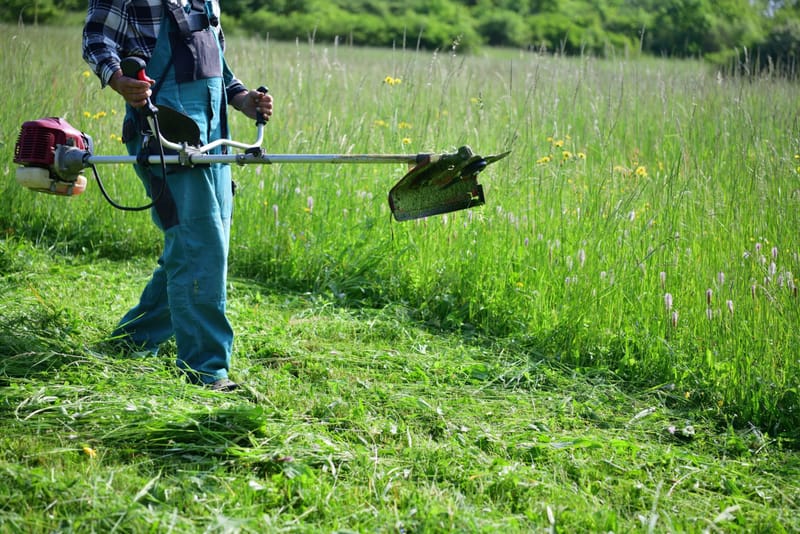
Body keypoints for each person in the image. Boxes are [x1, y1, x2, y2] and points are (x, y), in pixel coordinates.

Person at [83, 0, 273, 391]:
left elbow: (217, 66)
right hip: (165, 136)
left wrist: (244, 99)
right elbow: (96, 38)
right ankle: (205, 370)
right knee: (200, 249)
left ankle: (133, 340)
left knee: (196, 248)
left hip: (214, 136)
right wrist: (119, 80)